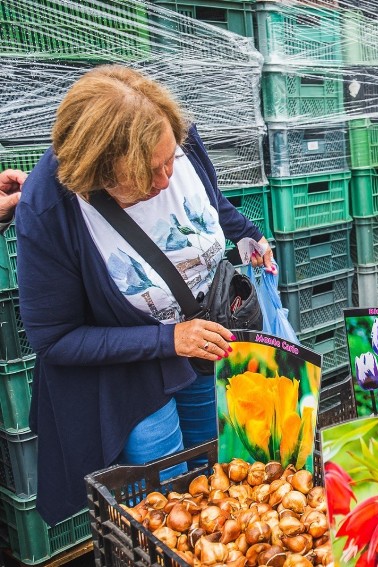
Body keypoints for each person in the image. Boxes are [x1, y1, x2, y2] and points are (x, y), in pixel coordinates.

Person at [16, 65, 274, 525]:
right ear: (98, 173)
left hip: (202, 345)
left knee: (216, 471)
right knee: (168, 500)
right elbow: (53, 339)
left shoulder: (173, 135)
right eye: (147, 173)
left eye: (171, 160)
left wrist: (250, 237)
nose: (164, 179)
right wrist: (168, 340)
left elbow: (211, 203)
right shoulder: (48, 207)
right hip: (132, 379)